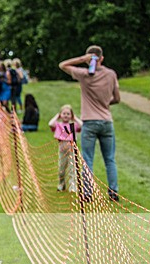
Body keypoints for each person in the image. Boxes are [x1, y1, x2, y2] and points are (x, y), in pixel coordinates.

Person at [59, 45, 120, 201]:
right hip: (106, 121)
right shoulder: (111, 74)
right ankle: (113, 192)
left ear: (89, 59)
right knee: (110, 159)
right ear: (102, 58)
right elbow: (117, 98)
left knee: (87, 159)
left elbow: (63, 65)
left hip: (90, 121)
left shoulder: (84, 74)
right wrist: (105, 103)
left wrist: (81, 59)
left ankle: (87, 193)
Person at [49, 104, 83, 192]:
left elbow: (81, 125)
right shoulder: (58, 125)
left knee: (72, 168)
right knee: (61, 169)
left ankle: (73, 186)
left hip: (72, 149)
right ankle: (61, 184)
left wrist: (74, 118)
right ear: (61, 115)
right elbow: (50, 124)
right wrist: (57, 116)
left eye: (68, 114)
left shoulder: (73, 125)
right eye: (64, 113)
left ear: (71, 115)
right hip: (62, 149)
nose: (66, 115)